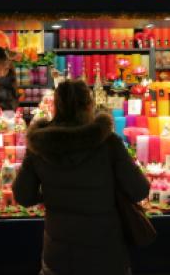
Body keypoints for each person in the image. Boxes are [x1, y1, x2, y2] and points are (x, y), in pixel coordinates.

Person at [12, 79, 150, 275]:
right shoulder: (108, 143)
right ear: (89, 105)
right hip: (106, 256)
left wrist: (50, 193)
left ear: (56, 106)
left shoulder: (39, 145)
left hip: (59, 256)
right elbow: (139, 190)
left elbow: (23, 195)